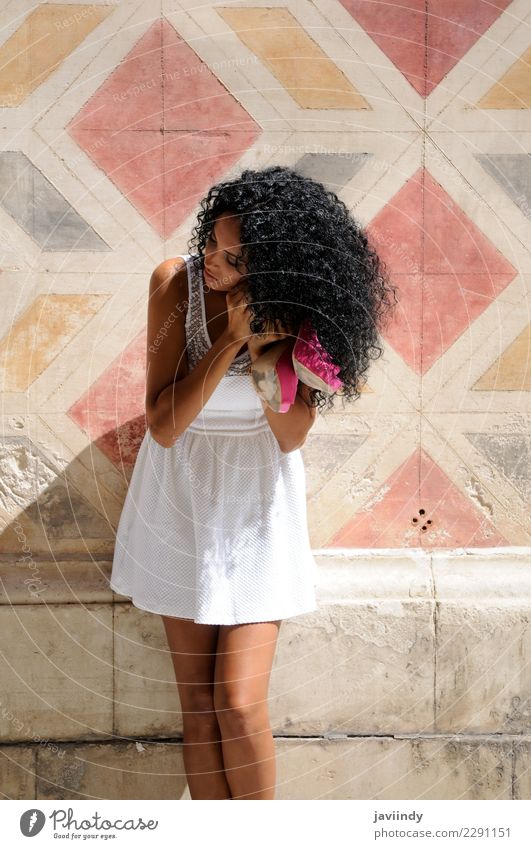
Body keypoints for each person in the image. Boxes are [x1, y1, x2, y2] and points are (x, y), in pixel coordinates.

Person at [110, 165, 397, 800]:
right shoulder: (174, 286)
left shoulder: (298, 310)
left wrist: (267, 344)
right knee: (199, 707)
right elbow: (163, 423)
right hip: (179, 495)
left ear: (272, 267)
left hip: (256, 509)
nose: (210, 258)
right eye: (211, 241)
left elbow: (290, 434)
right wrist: (226, 344)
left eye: (233, 257)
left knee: (238, 703)